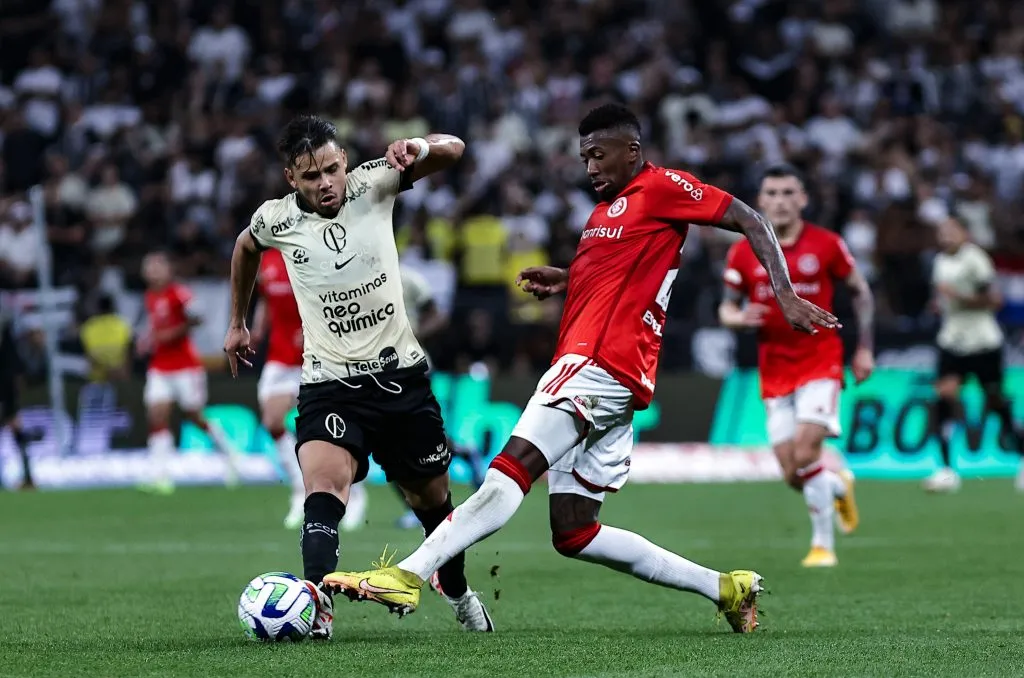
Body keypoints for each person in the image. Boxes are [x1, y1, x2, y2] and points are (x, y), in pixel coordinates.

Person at [323, 103, 838, 633]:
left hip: (596, 363)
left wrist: (785, 294)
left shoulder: (661, 188)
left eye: (599, 154)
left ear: (632, 151)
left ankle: (408, 573)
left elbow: (747, 217)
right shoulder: (605, 214)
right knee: (573, 532)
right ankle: (726, 588)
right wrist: (567, 278)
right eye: (583, 157)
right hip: (614, 377)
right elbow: (622, 275)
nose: (589, 167)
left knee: (509, 472)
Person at [223, 115, 494, 639]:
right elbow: (244, 248)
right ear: (290, 178)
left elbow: (455, 148)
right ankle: (317, 607)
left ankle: (457, 590)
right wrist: (236, 321)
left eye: (331, 169)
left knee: (433, 503)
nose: (325, 183)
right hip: (330, 383)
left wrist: (416, 145)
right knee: (323, 486)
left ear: (344, 161)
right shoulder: (274, 219)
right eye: (310, 176)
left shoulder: (376, 181)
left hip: (402, 383)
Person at [719, 163, 874, 568]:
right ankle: (837, 485)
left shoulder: (826, 244)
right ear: (760, 200)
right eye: (772, 193)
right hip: (774, 368)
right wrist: (737, 319)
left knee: (806, 452)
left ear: (803, 199)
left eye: (789, 193)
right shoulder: (742, 249)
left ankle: (823, 546)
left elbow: (860, 291)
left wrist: (864, 348)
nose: (780, 201)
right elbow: (725, 308)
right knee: (792, 471)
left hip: (820, 361)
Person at [344, 263, 485, 533]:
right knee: (390, 445)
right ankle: (461, 457)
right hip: (374, 371)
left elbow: (438, 316)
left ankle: (431, 507)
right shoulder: (355, 279)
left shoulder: (408, 278)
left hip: (411, 367)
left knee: (412, 442)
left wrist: (414, 334)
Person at [923, 216, 1024, 493]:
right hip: (952, 339)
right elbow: (943, 298)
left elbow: (994, 300)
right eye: (941, 232)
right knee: (944, 397)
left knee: (995, 401)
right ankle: (946, 470)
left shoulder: (975, 260)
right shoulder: (940, 261)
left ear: (964, 233)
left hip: (982, 340)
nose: (945, 237)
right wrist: (940, 303)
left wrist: (957, 296)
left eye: (951, 231)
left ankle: (1022, 460)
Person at [139, 251, 240, 493]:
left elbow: (198, 317)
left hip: (185, 366)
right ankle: (160, 476)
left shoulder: (178, 293)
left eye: (157, 266)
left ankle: (229, 453)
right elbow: (156, 327)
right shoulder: (150, 297)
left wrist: (173, 333)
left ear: (168, 270)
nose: (152, 271)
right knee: (156, 413)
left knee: (193, 415)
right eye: (149, 267)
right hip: (160, 366)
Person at [251, 248, 306, 529]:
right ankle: (301, 487)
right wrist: (258, 328)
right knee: (272, 423)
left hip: (312, 354)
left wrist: (311, 328)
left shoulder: (310, 251)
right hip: (278, 355)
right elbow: (265, 298)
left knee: (319, 428)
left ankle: (352, 493)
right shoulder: (268, 259)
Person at [0, 309, 34, 490]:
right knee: (15, 427)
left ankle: (28, 477)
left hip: (5, 385)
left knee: (14, 426)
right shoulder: (7, 331)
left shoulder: (5, 333)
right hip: (8, 384)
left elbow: (14, 364)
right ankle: (28, 476)